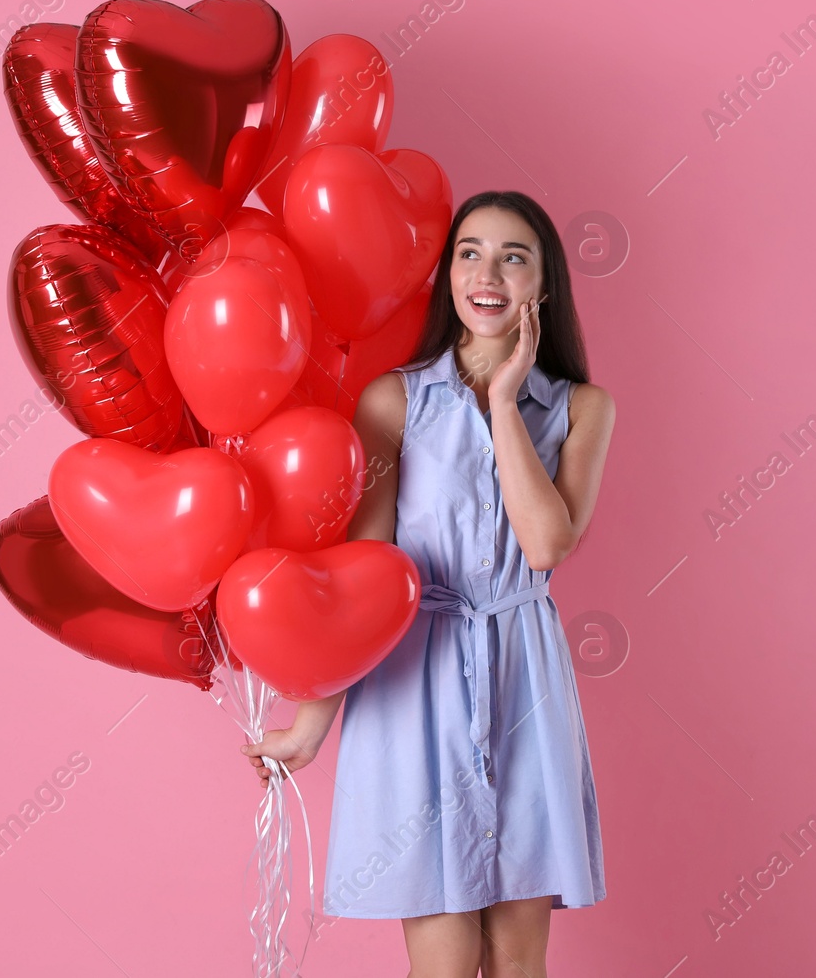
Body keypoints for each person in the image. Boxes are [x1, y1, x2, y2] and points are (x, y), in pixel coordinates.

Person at [241, 190, 616, 977]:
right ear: (448, 273)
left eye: (515, 256)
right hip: (415, 682)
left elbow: (547, 543)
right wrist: (310, 726)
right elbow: (361, 577)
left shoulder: (582, 407)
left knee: (518, 963)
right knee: (442, 965)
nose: (489, 272)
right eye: (470, 252)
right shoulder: (395, 401)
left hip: (524, 680)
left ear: (542, 286)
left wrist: (507, 399)